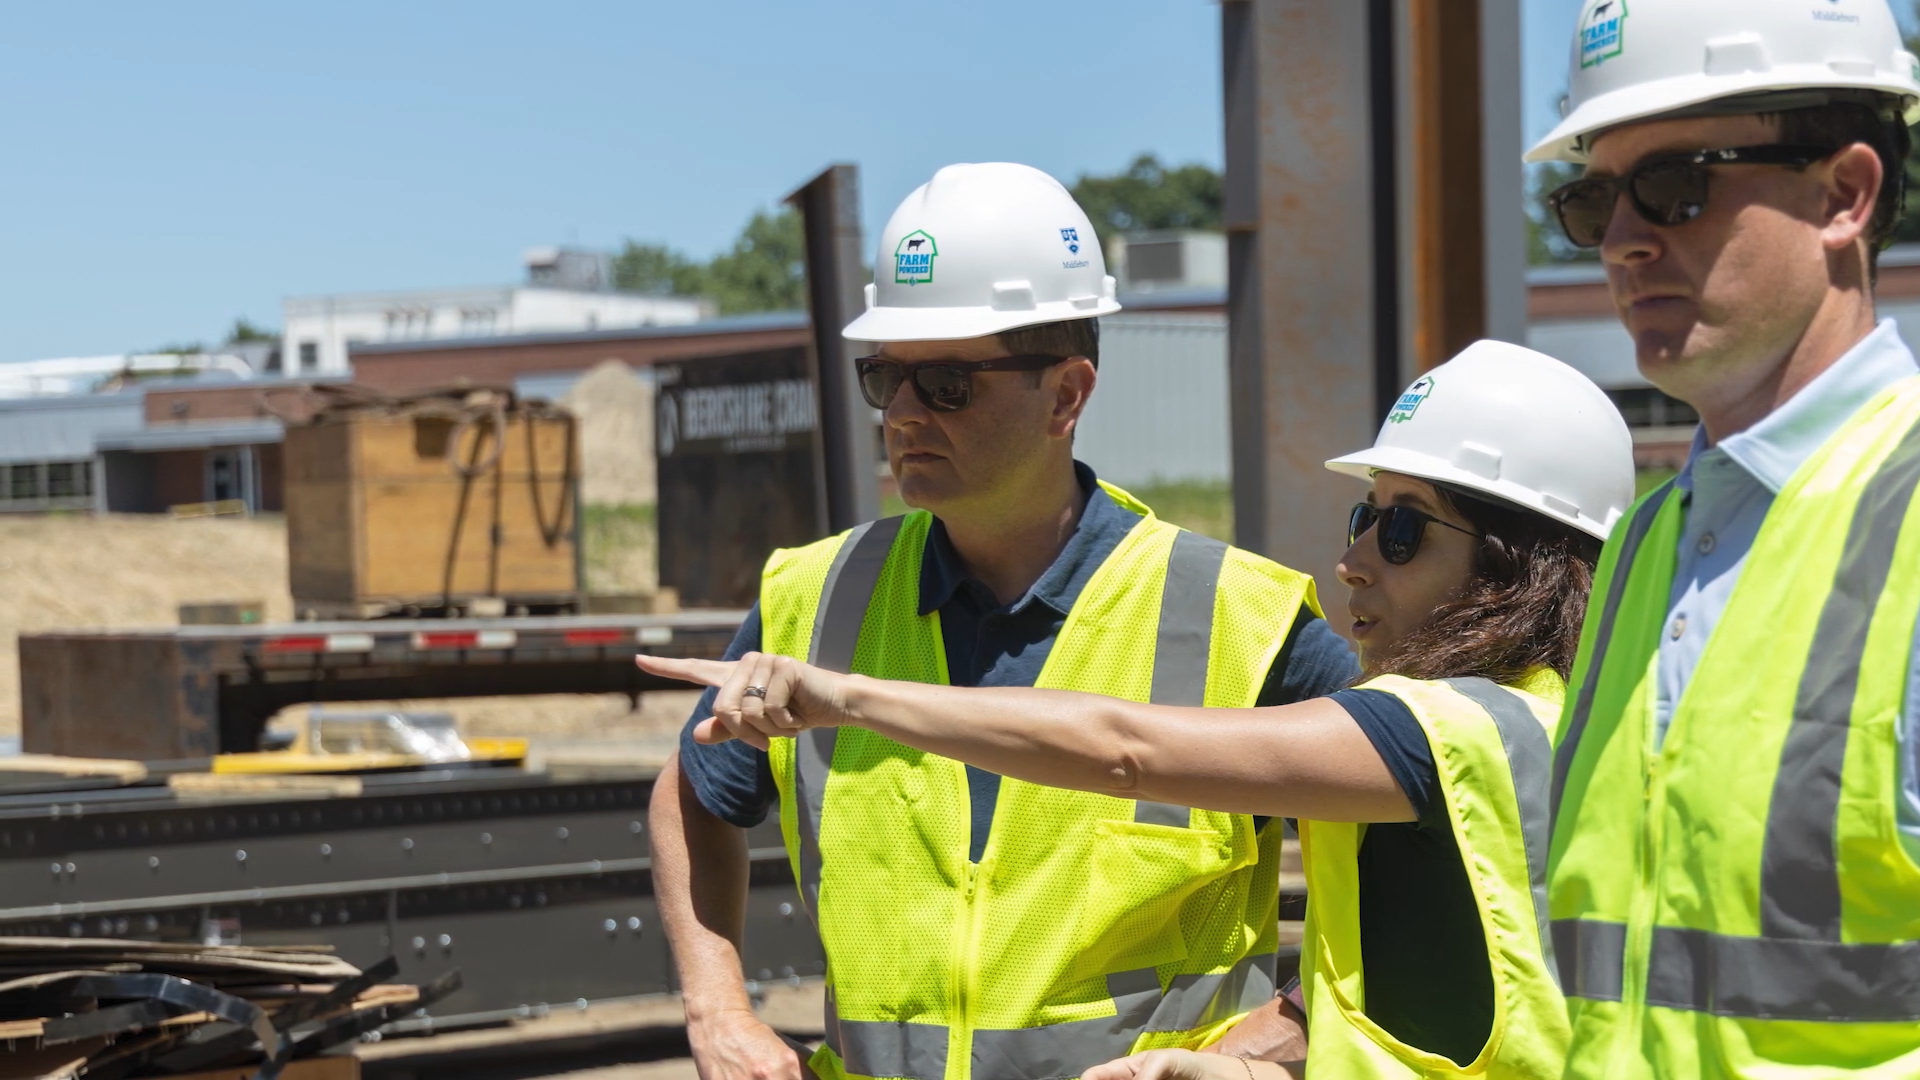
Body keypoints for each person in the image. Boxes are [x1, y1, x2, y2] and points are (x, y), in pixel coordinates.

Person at [645, 340, 1637, 1080]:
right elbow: (1396, 983)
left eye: (1406, 528)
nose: (1355, 557)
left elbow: (1122, 747)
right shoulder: (1557, 718)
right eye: (1363, 515)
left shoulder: (1443, 732)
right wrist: (1256, 1057)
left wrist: (845, 696)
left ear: (1517, 566)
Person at [647, 161, 1358, 1080]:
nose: (901, 414)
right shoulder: (817, 596)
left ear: (1067, 394)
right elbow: (694, 791)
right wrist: (716, 1010)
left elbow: (1427, 843)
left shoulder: (1234, 615)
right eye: (884, 378)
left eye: (945, 382)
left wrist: (1295, 1025)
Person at [1528, 1, 1920, 1074]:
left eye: (1675, 185)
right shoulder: (1646, 545)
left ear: (1844, 195)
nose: (1621, 239)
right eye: (1591, 199)